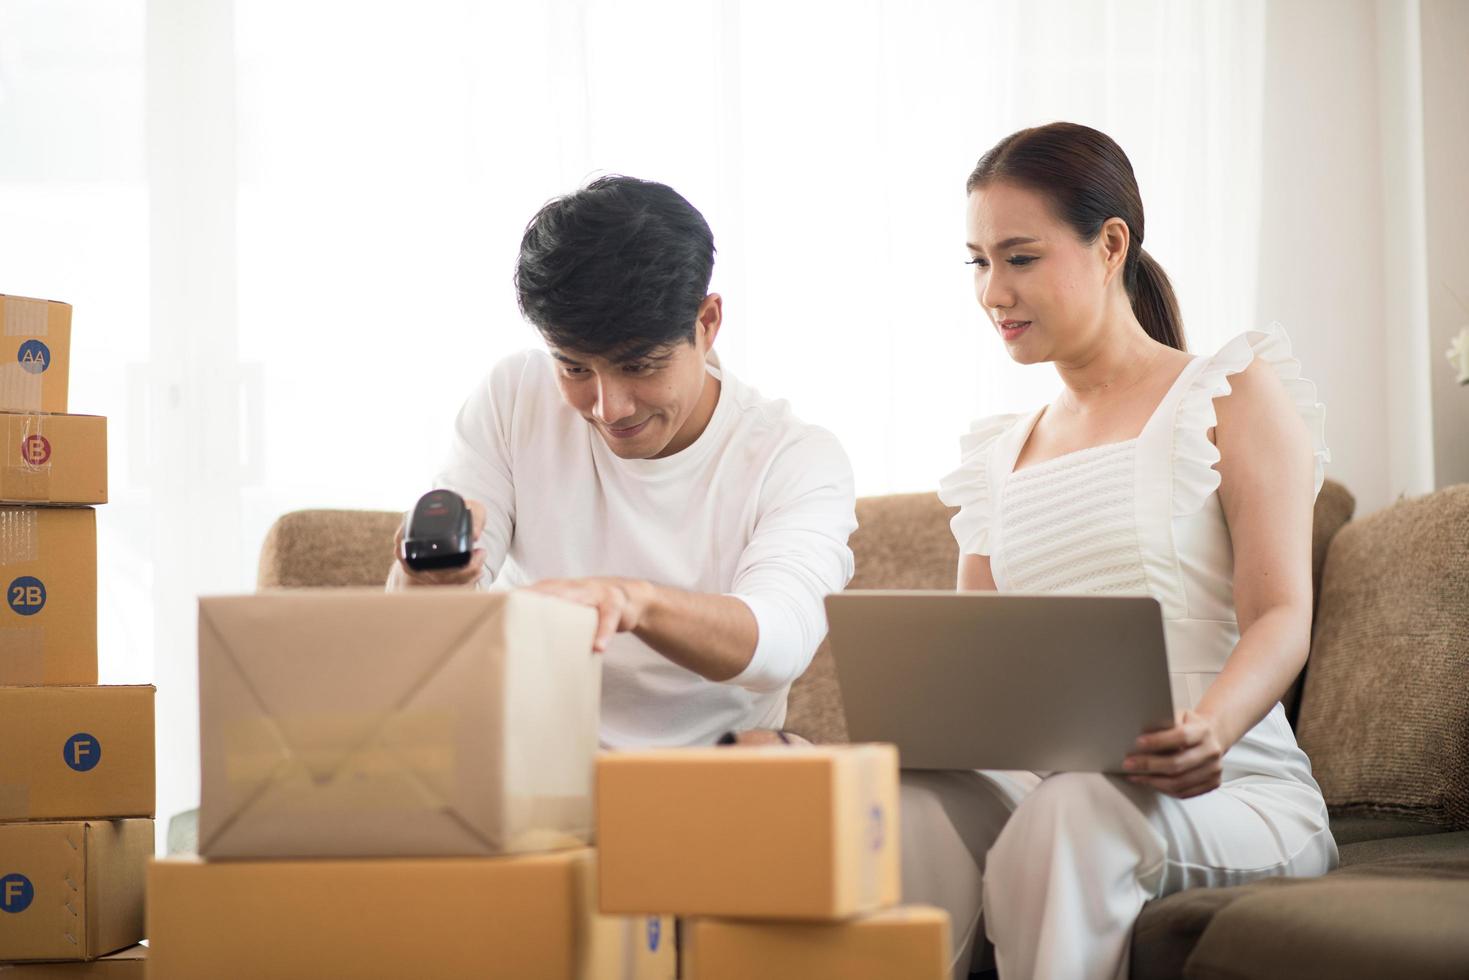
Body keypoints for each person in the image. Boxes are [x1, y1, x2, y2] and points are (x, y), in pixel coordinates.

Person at [902, 123, 1337, 980]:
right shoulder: (995, 458)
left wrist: (1207, 726)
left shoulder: (1227, 390)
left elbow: (1281, 614)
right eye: (977, 262)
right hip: (1053, 784)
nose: (993, 292)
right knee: (913, 806)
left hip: (1228, 787)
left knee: (1075, 810)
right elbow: (973, 670)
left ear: (1109, 245)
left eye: (1019, 258)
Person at [386, 175, 856, 748]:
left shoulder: (794, 457)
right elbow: (426, 632)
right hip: (535, 752)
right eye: (575, 369)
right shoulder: (515, 397)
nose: (608, 409)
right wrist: (431, 579)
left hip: (714, 762)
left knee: (781, 761)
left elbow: (778, 642)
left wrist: (634, 602)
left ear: (706, 324)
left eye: (639, 366)